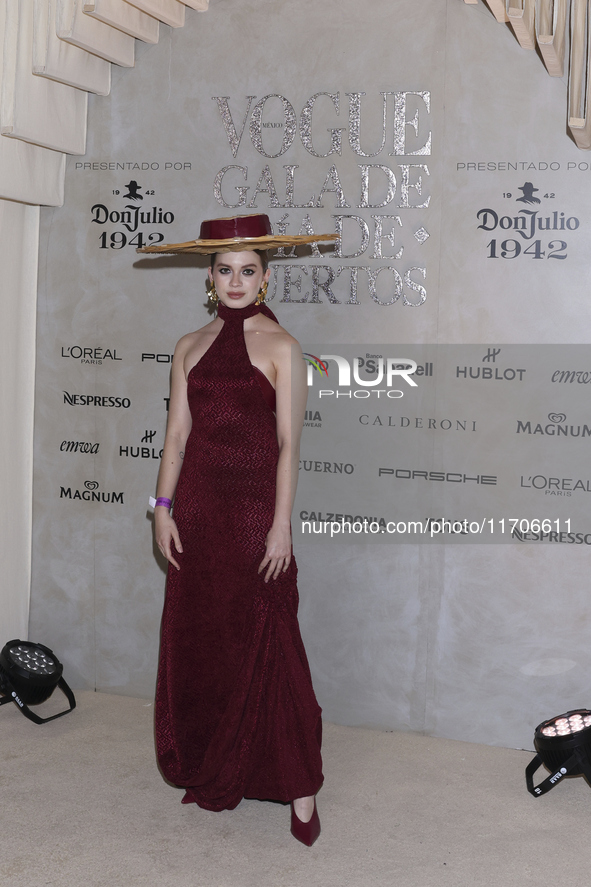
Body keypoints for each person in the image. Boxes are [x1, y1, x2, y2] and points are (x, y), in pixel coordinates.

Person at [139, 214, 336, 846]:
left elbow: (288, 447)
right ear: (209, 277)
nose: (235, 281)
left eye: (247, 271)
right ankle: (216, 762)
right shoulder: (187, 346)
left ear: (266, 278)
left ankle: (300, 787)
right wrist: (162, 508)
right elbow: (175, 437)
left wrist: (281, 528)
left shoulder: (282, 347)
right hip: (197, 514)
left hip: (255, 516)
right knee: (205, 642)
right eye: (225, 270)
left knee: (272, 641)